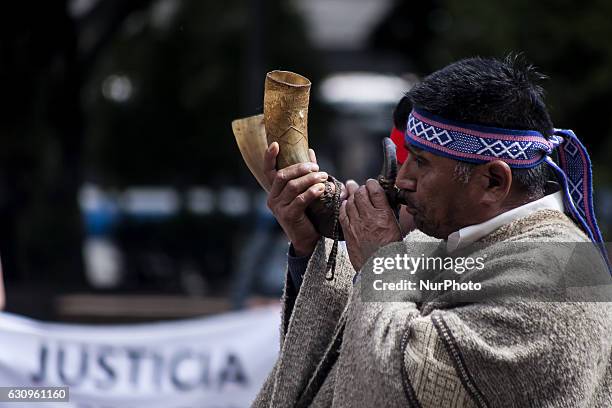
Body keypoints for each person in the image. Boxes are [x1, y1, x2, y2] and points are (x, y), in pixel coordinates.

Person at [253, 56, 612, 407]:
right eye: (407, 157)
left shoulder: (564, 279)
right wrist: (311, 244)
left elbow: (396, 386)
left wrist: (381, 261)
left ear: (493, 181)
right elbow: (352, 339)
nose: (403, 179)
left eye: (421, 163)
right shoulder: (441, 241)